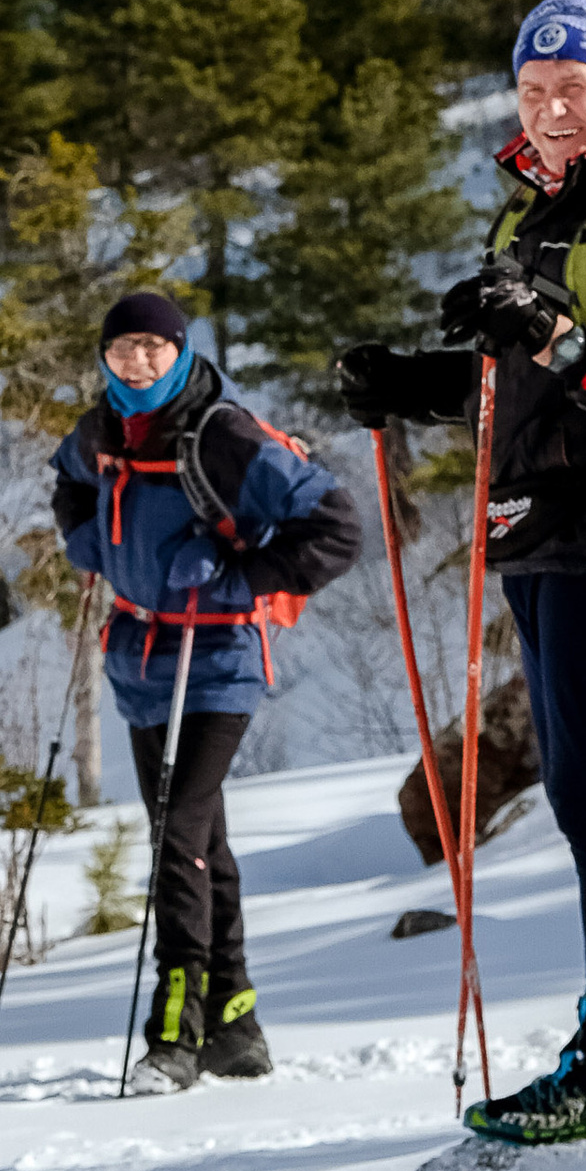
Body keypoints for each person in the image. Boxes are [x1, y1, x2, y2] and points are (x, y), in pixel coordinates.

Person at [338, 0, 586, 1146]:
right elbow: (511, 383)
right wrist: (410, 381)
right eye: (531, 87)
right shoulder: (535, 211)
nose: (551, 107)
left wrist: (553, 336)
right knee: (578, 787)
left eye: (574, 84)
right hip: (536, 527)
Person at [53, 290, 362, 1088]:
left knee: (177, 833)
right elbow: (69, 479)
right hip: (140, 660)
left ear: (181, 350)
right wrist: (86, 539)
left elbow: (337, 526)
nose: (138, 361)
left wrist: (239, 578)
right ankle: (236, 1022)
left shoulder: (221, 434)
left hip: (218, 657)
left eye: (153, 346)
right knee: (200, 840)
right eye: (122, 348)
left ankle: (175, 1030)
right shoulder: (104, 428)